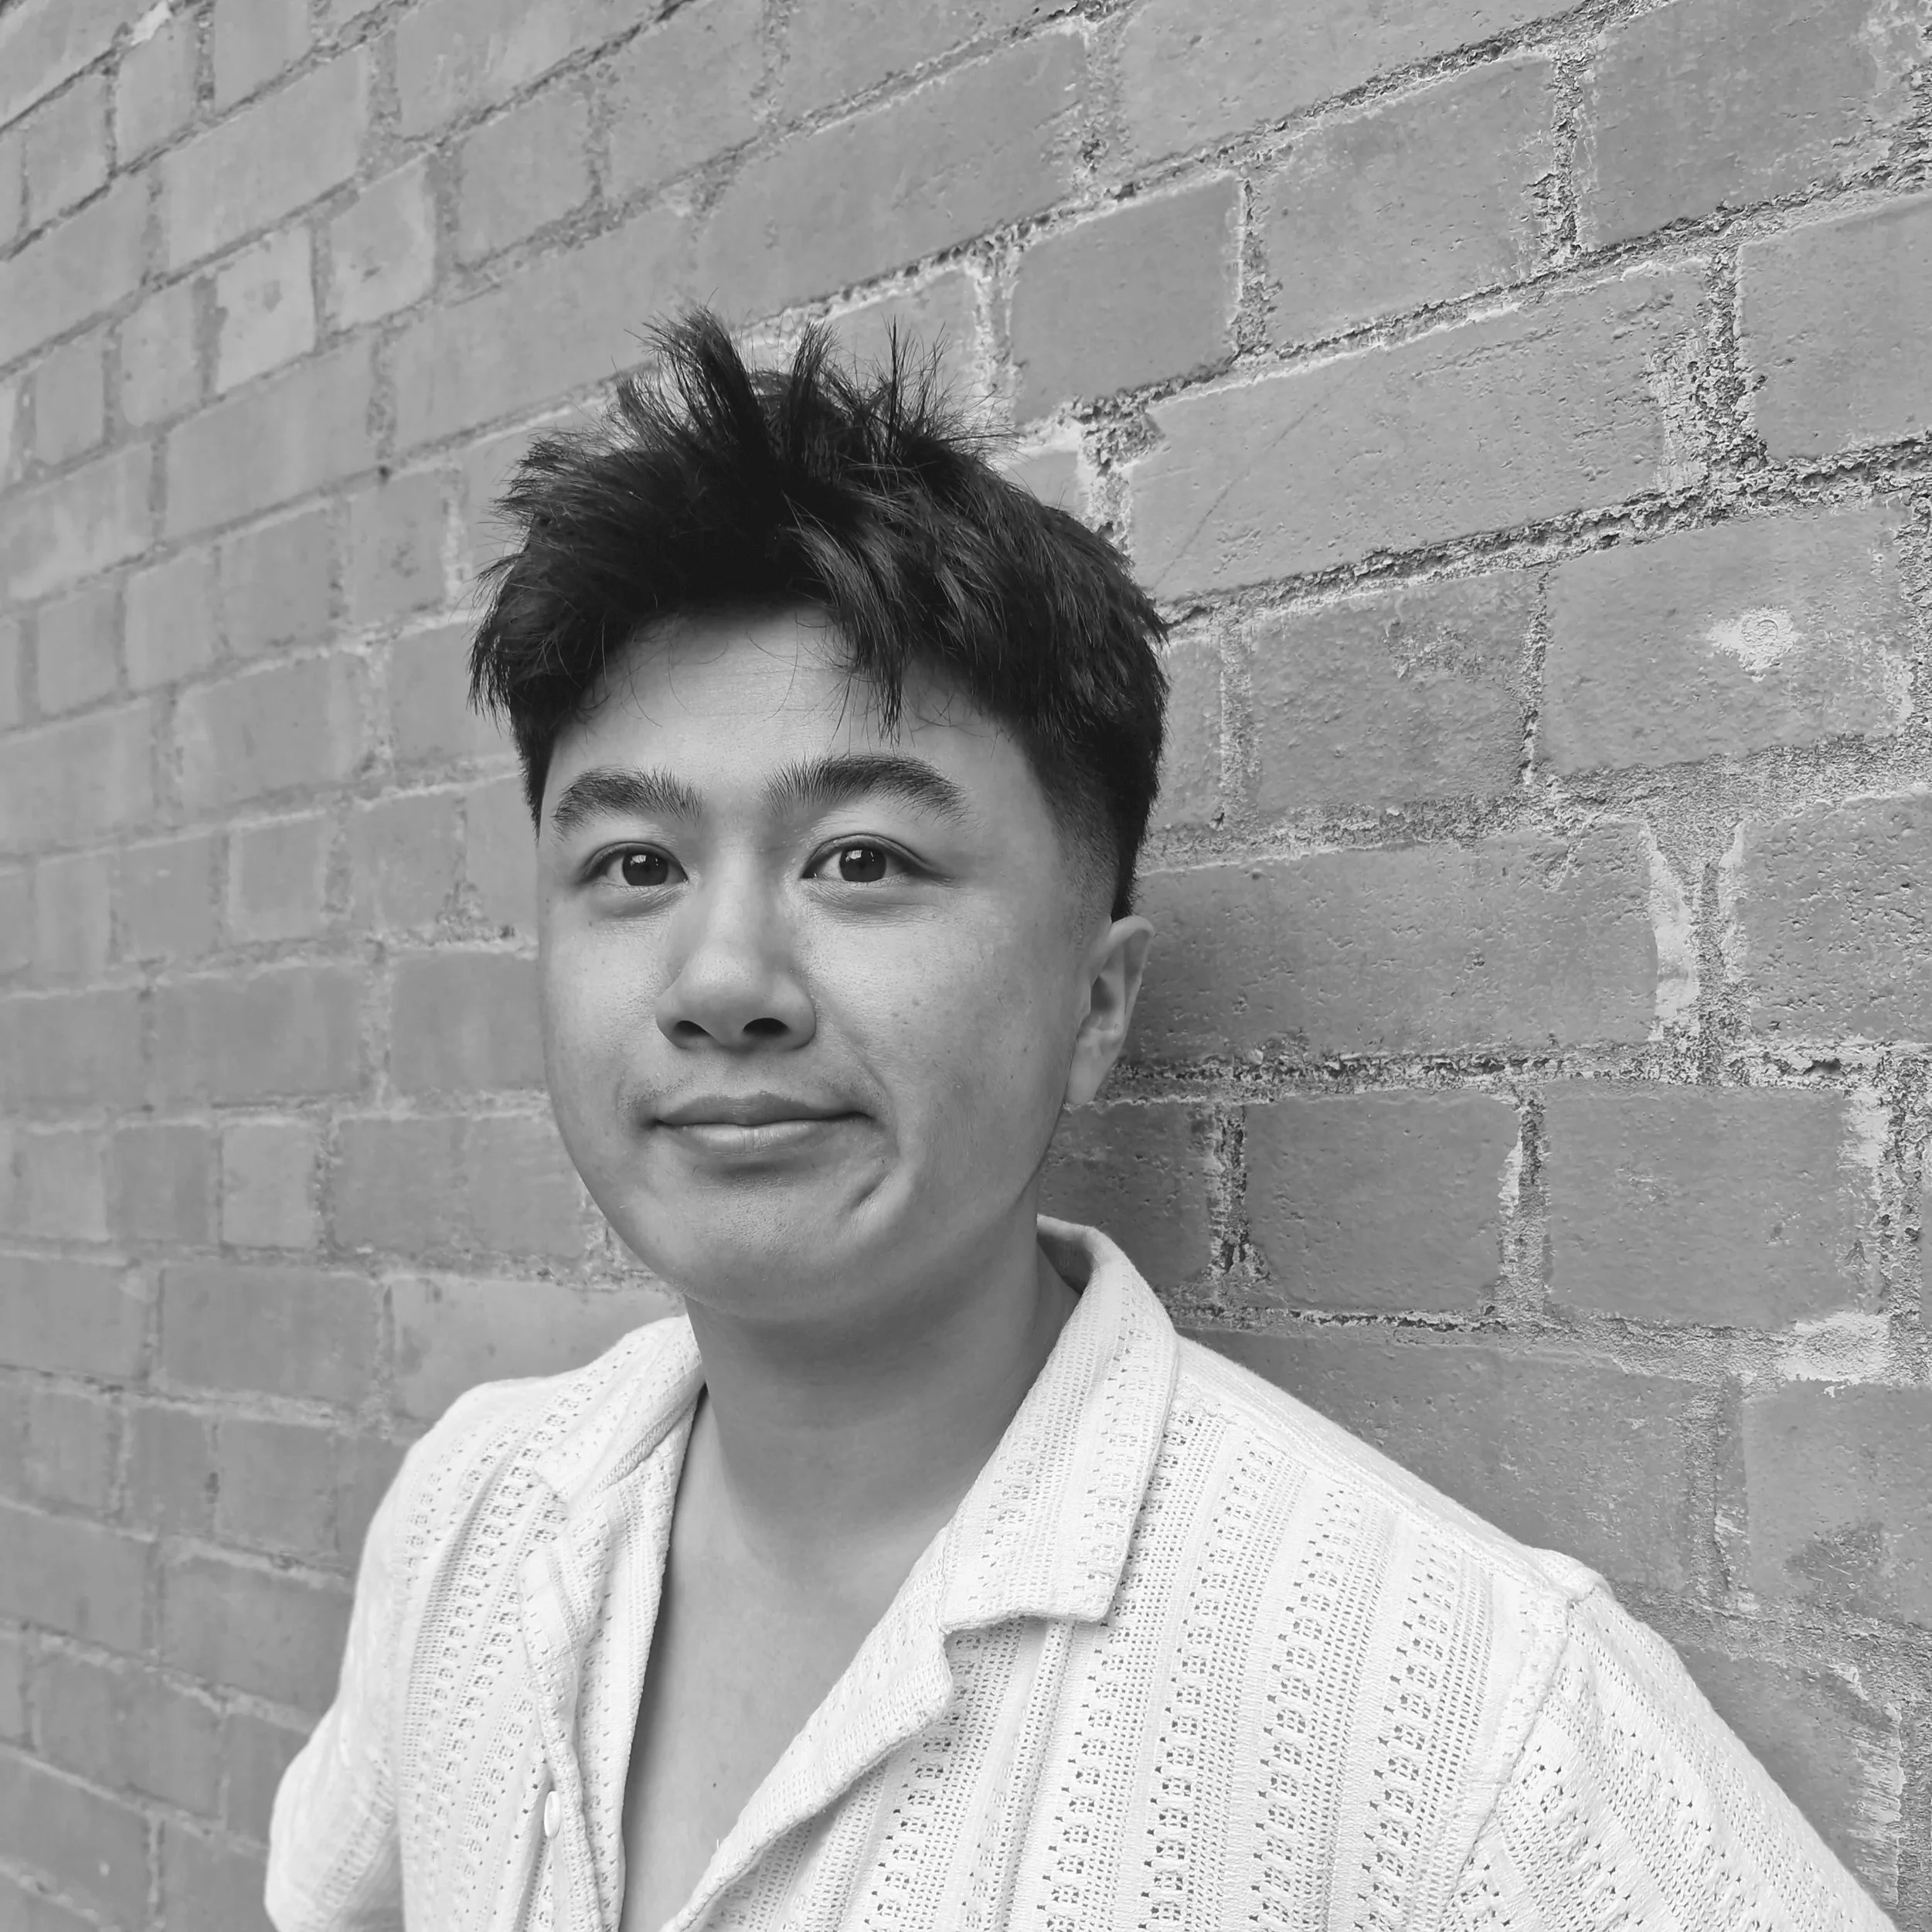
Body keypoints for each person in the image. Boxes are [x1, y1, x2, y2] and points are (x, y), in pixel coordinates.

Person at [263, 311, 1891, 1932]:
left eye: (862, 860)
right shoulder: (475, 1512)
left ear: (1096, 1005)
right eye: (634, 865)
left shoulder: (1448, 1720)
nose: (724, 980)